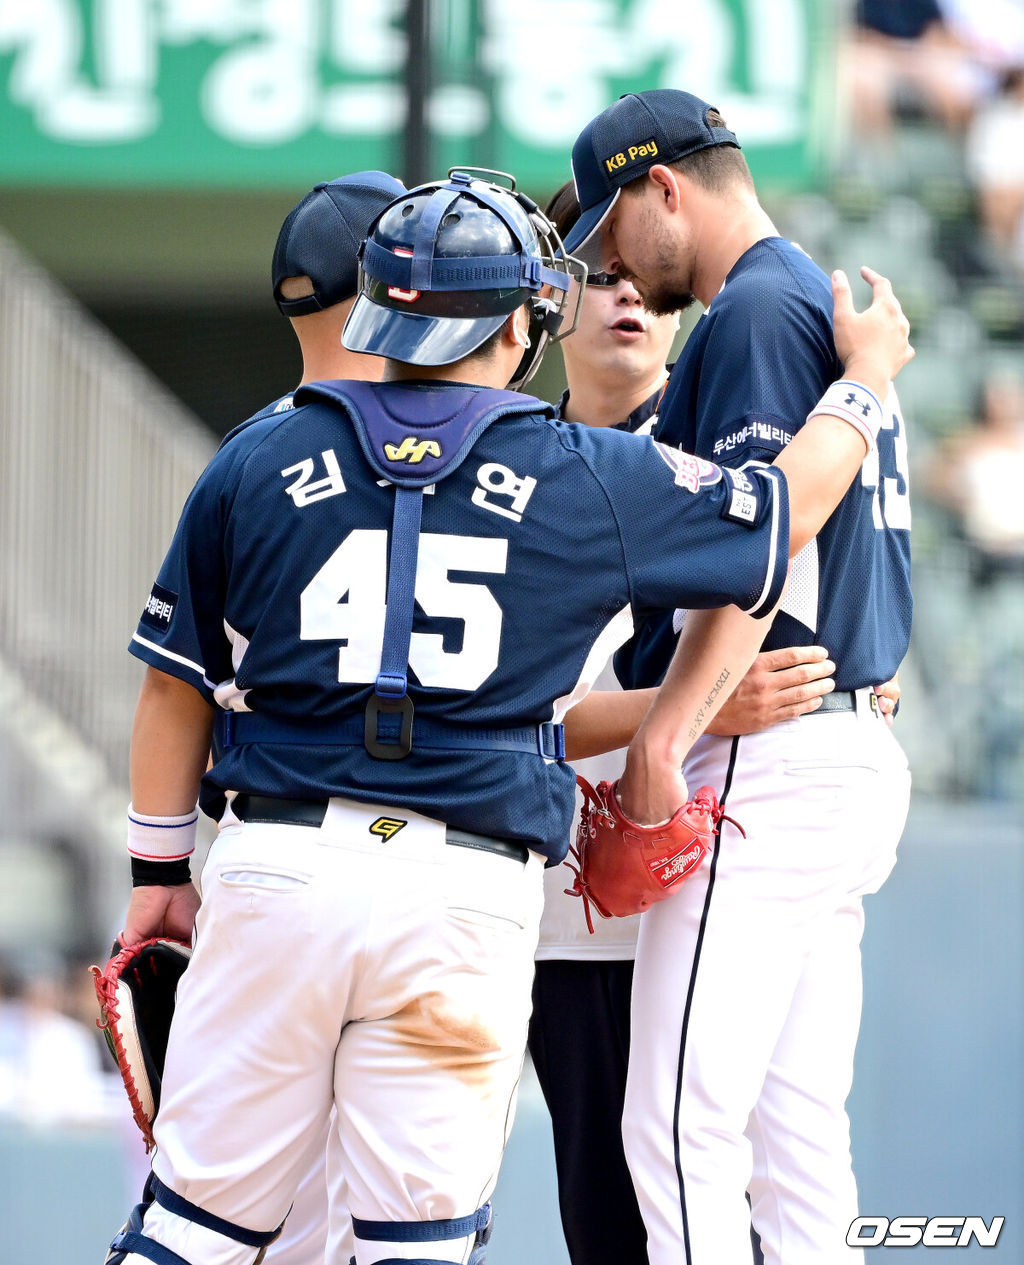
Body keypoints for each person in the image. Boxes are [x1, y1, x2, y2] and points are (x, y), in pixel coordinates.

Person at [104, 166, 910, 1265]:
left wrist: (159, 874)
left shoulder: (257, 454)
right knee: (417, 1243)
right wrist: (861, 386)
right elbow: (777, 514)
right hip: (463, 888)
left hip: (275, 862)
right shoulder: (573, 463)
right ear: (525, 318)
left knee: (193, 1229)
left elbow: (172, 683)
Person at [563, 90, 915, 1265]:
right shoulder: (812, 299)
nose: (610, 265)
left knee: (673, 1127)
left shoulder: (756, 310)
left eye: (610, 230)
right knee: (795, 1135)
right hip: (842, 734)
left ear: (661, 186)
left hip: (775, 754)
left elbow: (761, 546)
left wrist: (665, 736)